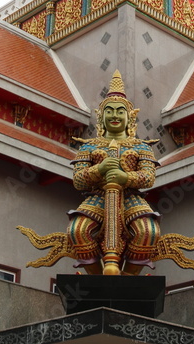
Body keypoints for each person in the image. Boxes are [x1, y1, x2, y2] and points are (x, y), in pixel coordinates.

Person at [67, 70, 160, 274]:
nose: (115, 116)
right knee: (77, 230)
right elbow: (78, 180)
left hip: (130, 198)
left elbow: (148, 177)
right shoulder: (89, 147)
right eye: (109, 111)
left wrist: (125, 177)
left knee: (148, 231)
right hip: (98, 197)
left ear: (130, 117)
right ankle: (96, 276)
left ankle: (129, 276)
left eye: (120, 111)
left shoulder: (141, 147)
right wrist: (99, 169)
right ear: (101, 117)